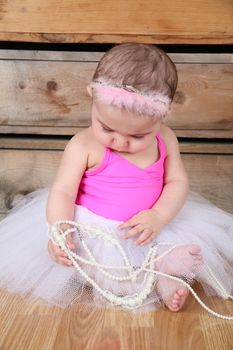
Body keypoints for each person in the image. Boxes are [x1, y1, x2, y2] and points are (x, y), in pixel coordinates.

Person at [0, 43, 232, 314]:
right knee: (96, 269)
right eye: (107, 127)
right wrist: (60, 232)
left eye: (137, 136)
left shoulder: (166, 138)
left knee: (175, 247)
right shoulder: (83, 145)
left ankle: (165, 273)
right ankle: (155, 276)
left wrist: (158, 216)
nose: (120, 141)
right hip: (95, 229)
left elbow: (177, 182)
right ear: (92, 98)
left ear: (163, 116)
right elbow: (63, 191)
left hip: (150, 225)